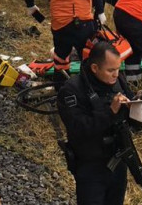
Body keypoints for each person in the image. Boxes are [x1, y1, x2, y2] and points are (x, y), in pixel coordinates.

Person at [57, 42, 136, 205]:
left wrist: (136, 109)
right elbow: (79, 128)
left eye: (118, 69)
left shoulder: (118, 81)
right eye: (110, 70)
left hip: (118, 159)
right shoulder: (72, 90)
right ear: (95, 68)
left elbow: (135, 122)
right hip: (90, 165)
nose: (115, 74)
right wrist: (110, 112)